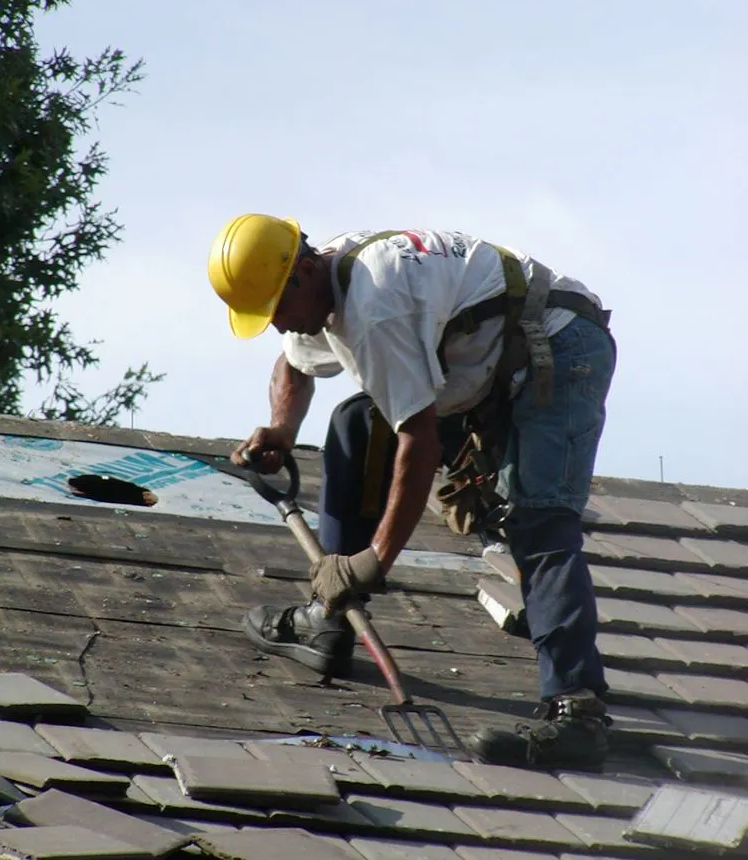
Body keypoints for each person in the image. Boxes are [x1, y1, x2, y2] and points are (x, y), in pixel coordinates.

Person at [207, 213, 616, 768]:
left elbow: (419, 443)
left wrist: (375, 559)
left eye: (277, 308)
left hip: (559, 345)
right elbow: (294, 362)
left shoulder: (374, 308)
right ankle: (330, 615)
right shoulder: (321, 284)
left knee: (539, 521)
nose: (278, 324)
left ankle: (578, 713)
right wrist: (283, 428)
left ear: (304, 271)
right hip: (487, 352)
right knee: (356, 423)